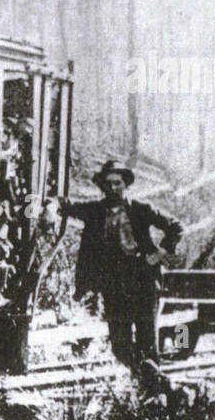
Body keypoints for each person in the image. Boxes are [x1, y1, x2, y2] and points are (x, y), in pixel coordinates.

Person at [52, 160, 184, 375]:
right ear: (103, 186)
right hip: (113, 285)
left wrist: (160, 253)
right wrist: (43, 205)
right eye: (109, 184)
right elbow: (64, 206)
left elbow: (176, 227)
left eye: (117, 183)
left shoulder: (141, 209)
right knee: (120, 346)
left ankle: (151, 390)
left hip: (142, 283)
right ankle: (142, 377)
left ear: (125, 185)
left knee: (147, 342)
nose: (113, 188)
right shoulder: (94, 211)